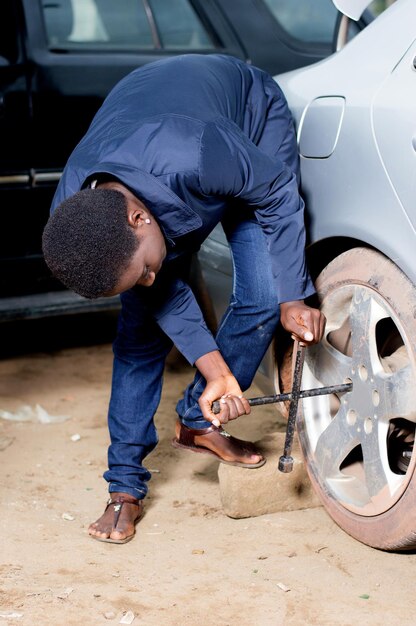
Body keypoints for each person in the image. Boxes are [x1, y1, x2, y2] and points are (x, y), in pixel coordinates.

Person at [42, 53, 326, 545]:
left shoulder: (197, 152)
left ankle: (198, 418)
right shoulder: (79, 219)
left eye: (147, 269)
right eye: (137, 278)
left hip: (246, 122)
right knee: (138, 333)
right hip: (158, 135)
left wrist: (293, 296)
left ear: (138, 219)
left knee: (264, 294)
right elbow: (157, 292)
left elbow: (277, 189)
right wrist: (217, 370)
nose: (153, 281)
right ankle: (124, 488)